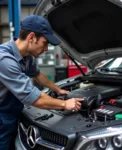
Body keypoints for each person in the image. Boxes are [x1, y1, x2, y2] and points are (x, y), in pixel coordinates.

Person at [0, 15, 84, 150]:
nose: (46, 49)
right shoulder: (4, 60)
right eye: (45, 43)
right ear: (31, 37)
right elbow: (35, 99)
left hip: (13, 112)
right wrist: (65, 104)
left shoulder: (26, 56)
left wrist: (58, 90)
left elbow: (37, 74)